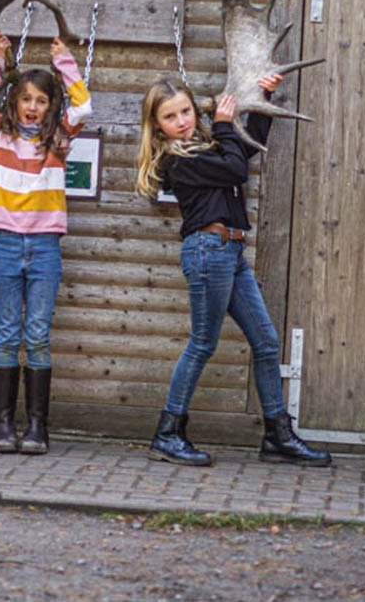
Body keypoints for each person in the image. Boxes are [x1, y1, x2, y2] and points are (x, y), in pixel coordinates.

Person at [135, 78, 330, 468]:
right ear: (157, 126)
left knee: (266, 342)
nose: (182, 121)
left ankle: (277, 435)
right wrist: (224, 124)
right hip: (208, 252)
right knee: (203, 343)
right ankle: (168, 432)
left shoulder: (205, 146)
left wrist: (263, 98)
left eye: (186, 111)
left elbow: (246, 150)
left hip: (229, 251)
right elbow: (235, 170)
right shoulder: (176, 159)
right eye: (170, 117)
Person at [0, 32, 93, 454]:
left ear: (50, 105)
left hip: (44, 246)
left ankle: (37, 426)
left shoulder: (59, 140)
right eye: (26, 100)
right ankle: (3, 424)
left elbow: (84, 106)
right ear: (15, 102)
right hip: (5, 243)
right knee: (6, 334)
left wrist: (66, 66)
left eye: (41, 100)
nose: (33, 108)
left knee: (36, 334)